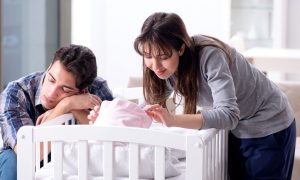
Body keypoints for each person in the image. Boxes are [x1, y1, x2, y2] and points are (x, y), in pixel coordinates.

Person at [132, 12, 296, 179]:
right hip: (238, 128)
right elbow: (151, 105)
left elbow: (229, 115)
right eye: (148, 56)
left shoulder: (210, 56)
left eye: (163, 56)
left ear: (181, 48)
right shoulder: (166, 70)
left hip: (269, 124)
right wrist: (119, 114)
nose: (155, 65)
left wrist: (173, 120)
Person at [0, 44, 113, 180]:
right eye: (51, 79)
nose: (51, 93)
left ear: (82, 91)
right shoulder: (16, 92)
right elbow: (25, 153)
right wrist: (66, 105)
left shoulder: (97, 88)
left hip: (69, 155)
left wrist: (75, 110)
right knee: (11, 159)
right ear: (49, 68)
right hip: (24, 155)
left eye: (65, 89)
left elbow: (113, 134)